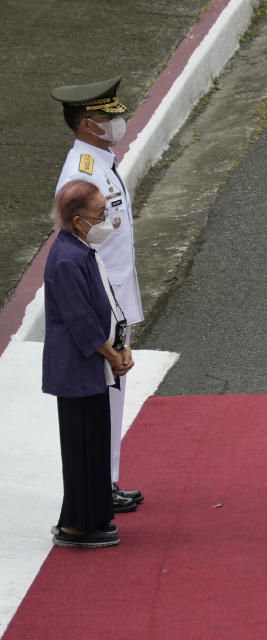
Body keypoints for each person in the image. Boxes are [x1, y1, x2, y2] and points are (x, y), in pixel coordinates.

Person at [52, 76, 144, 512]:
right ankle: (101, 485)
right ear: (89, 125)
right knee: (106, 389)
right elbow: (82, 247)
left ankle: (106, 479)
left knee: (115, 391)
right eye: (110, 116)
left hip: (116, 294)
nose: (118, 120)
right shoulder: (81, 174)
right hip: (100, 298)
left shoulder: (101, 159)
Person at [43, 179, 134, 548]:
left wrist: (121, 347)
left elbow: (106, 305)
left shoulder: (79, 249)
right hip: (77, 369)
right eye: (100, 213)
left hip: (92, 366)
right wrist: (113, 355)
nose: (107, 219)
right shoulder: (67, 259)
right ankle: (75, 526)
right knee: (82, 448)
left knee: (94, 443)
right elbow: (81, 321)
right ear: (79, 220)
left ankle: (94, 517)